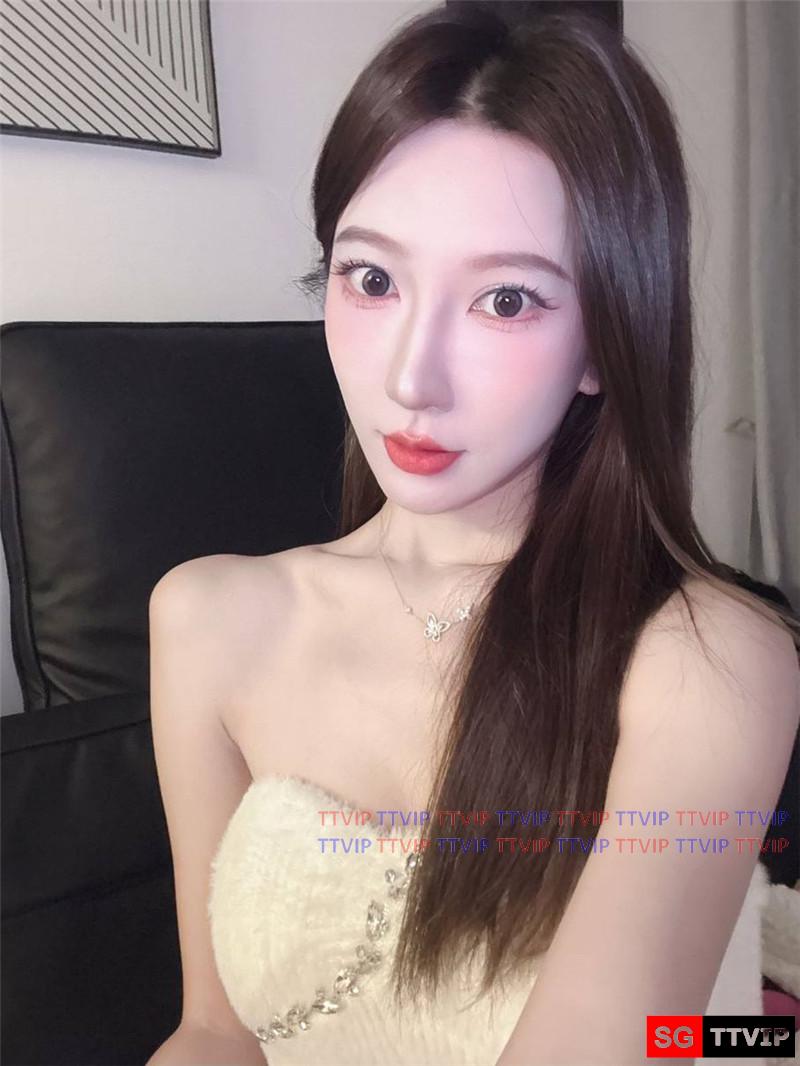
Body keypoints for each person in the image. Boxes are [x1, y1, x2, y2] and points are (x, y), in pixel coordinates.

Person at [146, 5, 800, 1065]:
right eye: (371, 279)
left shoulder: (708, 658)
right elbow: (216, 1029)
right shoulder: (207, 618)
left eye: (504, 300)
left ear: (605, 342)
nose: (412, 378)